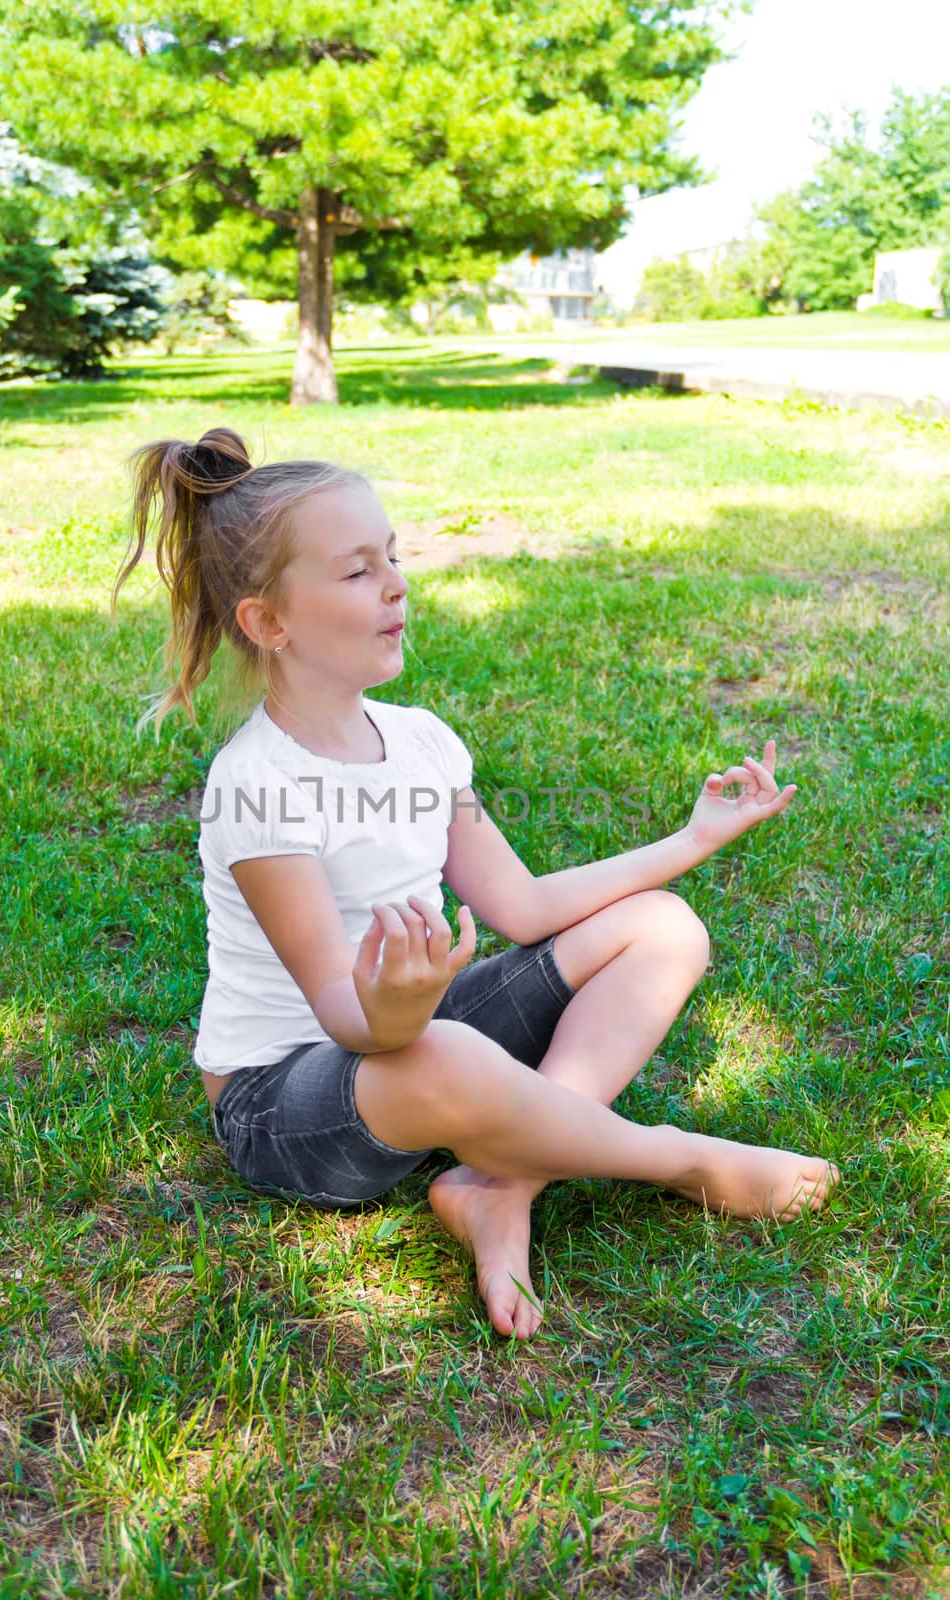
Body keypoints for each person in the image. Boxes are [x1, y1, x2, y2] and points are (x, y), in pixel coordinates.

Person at [112, 425, 841, 1341]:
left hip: (405, 1032)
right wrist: (401, 1007)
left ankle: (502, 1187)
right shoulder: (259, 785)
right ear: (269, 623)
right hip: (284, 1103)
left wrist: (691, 840)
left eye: (394, 557)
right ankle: (682, 1163)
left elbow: (522, 907)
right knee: (445, 1053)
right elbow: (345, 1014)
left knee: (661, 927)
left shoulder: (419, 740)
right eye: (355, 572)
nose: (395, 584)